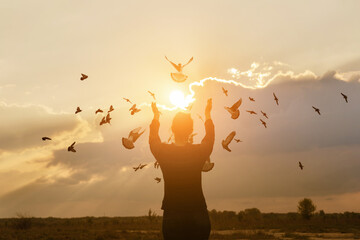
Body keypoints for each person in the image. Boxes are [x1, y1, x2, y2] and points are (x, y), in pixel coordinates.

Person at [149, 98, 215, 240]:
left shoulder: (163, 152)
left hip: (173, 216)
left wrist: (156, 116)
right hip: (198, 215)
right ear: (191, 130)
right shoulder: (199, 152)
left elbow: (153, 139)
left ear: (172, 129)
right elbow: (210, 138)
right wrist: (207, 114)